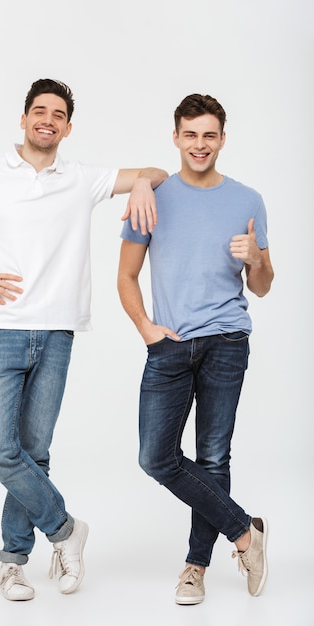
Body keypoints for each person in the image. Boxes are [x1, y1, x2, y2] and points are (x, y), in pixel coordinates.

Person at [0, 78, 168, 601]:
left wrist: (142, 183)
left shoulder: (81, 178)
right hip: (1, 332)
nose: (47, 119)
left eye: (58, 113)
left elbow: (157, 172)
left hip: (58, 331)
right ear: (24, 119)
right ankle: (66, 530)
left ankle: (12, 561)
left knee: (33, 450)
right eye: (39, 111)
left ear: (68, 127)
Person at [117, 93, 274, 605]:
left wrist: (256, 260)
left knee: (213, 455)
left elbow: (265, 284)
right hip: (171, 342)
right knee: (154, 456)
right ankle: (246, 533)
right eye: (191, 134)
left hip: (228, 339)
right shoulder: (153, 195)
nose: (200, 144)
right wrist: (146, 327)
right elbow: (126, 275)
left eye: (209, 135)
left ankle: (195, 566)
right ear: (176, 137)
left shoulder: (247, 200)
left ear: (222, 139)